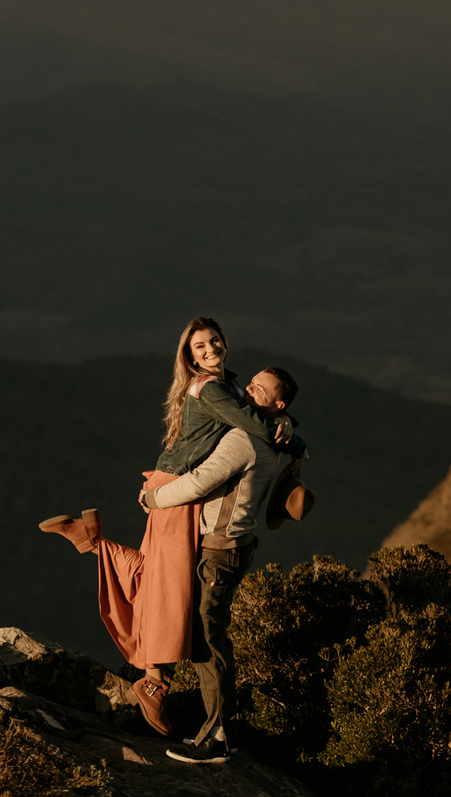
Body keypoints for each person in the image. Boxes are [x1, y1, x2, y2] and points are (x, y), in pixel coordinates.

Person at [38, 316, 293, 737]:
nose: (210, 349)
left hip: (180, 492)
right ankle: (153, 680)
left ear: (225, 343)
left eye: (214, 341)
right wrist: (290, 433)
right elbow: (255, 424)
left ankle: (94, 542)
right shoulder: (210, 388)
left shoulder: (228, 382)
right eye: (199, 347)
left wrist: (285, 420)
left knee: (160, 574)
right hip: (177, 491)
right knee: (167, 584)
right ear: (189, 356)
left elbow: (257, 414)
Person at [145, 363, 304, 767]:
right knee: (207, 636)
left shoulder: (244, 440)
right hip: (236, 547)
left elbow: (199, 481)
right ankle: (214, 729)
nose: (248, 389)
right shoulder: (272, 438)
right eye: (250, 382)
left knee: (207, 640)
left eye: (260, 389)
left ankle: (217, 737)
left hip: (219, 550)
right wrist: (286, 423)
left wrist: (153, 499)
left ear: (277, 402)